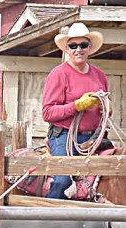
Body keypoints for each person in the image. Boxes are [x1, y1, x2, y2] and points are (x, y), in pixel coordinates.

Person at [42, 22, 108, 199]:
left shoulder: (99, 75)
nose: (78, 49)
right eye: (73, 46)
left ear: (90, 47)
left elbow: (106, 110)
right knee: (63, 179)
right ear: (67, 49)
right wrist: (77, 106)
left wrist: (106, 107)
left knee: (114, 169)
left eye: (83, 45)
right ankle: (48, 216)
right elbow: (47, 113)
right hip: (64, 136)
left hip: (95, 136)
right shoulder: (58, 74)